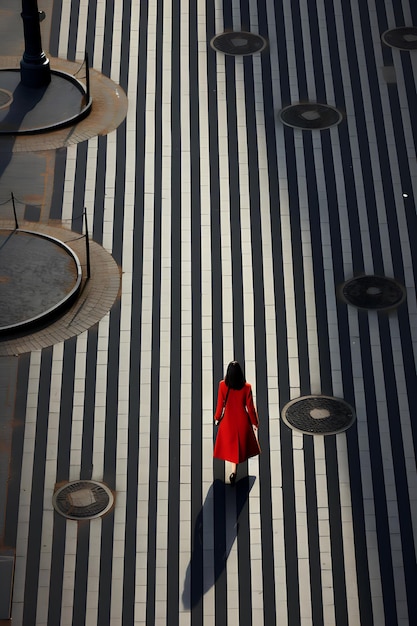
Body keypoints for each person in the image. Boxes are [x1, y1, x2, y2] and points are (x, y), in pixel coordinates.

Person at [213, 361, 260, 485]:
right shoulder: (247, 387)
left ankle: (234, 471)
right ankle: (234, 471)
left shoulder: (222, 386)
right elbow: (250, 408)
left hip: (228, 422)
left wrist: (217, 417)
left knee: (230, 447)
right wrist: (255, 422)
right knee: (238, 447)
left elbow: (220, 405)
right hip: (241, 422)